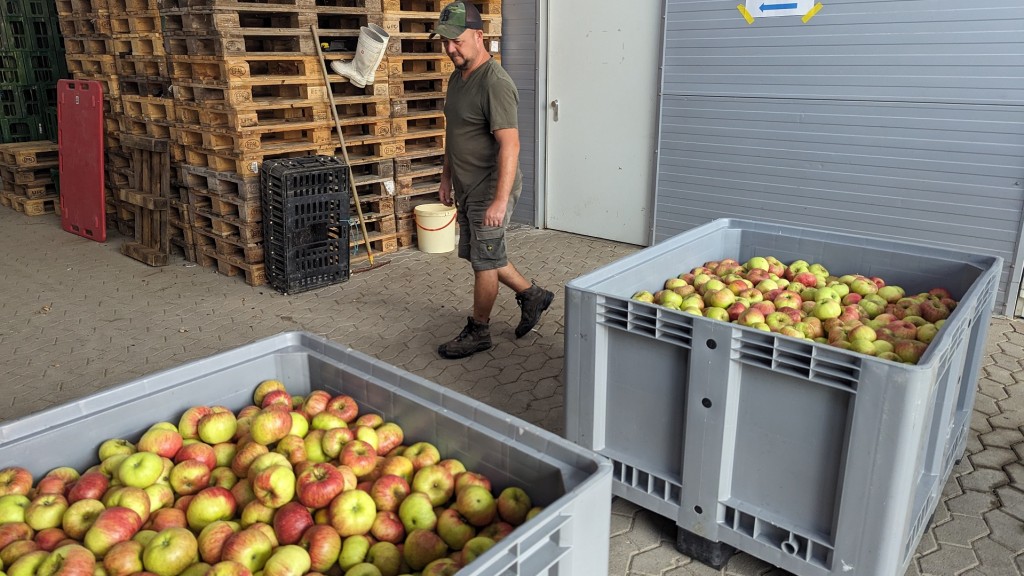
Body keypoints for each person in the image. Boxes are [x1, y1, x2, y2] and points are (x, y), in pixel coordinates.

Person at [430, 0, 554, 360]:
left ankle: (479, 330)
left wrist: (499, 201)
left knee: (484, 260)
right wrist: (445, 179)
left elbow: (510, 145)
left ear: (479, 36)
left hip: (491, 185)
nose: (450, 48)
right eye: (444, 42)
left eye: (457, 40)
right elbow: (455, 134)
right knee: (483, 254)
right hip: (466, 184)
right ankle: (533, 295)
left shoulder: (495, 82)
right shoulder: (457, 78)